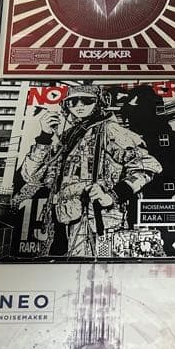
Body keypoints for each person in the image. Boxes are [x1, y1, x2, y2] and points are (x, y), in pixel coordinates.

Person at [16, 85, 162, 257]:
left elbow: (147, 166)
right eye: (73, 101)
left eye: (87, 100)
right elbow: (31, 175)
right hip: (63, 222)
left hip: (97, 222)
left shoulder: (109, 130)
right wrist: (44, 137)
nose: (79, 105)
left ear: (99, 102)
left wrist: (113, 195)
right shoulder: (67, 137)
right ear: (66, 106)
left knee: (95, 269)